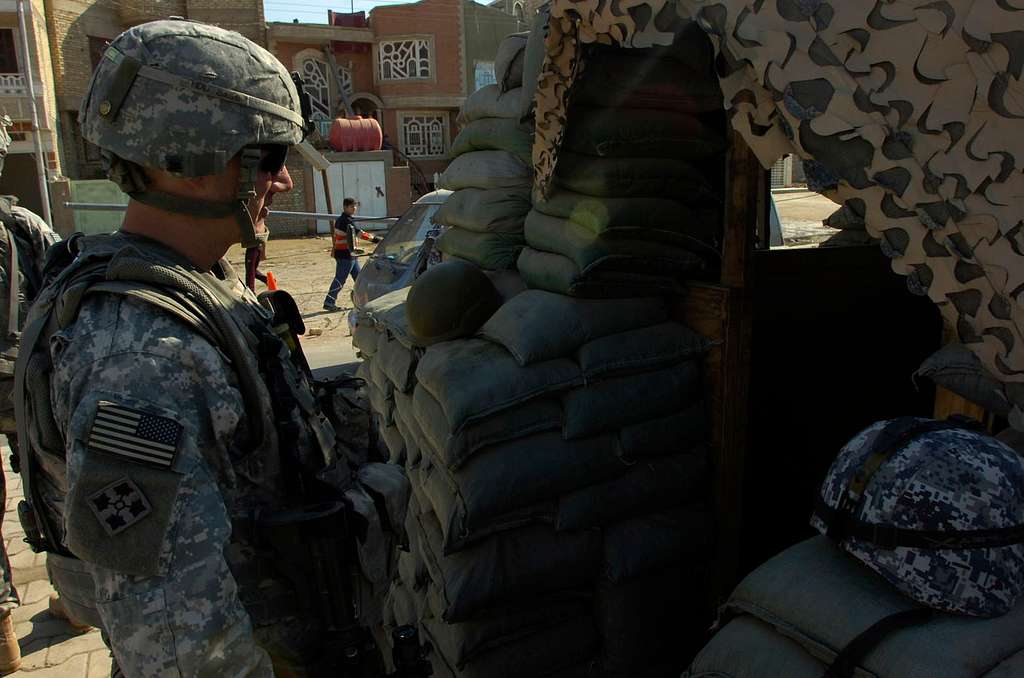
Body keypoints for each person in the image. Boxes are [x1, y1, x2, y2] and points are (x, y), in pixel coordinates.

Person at [14, 19, 406, 676]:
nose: (281, 184)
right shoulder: (142, 358)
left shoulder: (200, 287)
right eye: (271, 159)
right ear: (195, 164)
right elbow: (174, 643)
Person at [0, 115, 59, 673]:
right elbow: (58, 300)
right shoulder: (20, 225)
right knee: (49, 478)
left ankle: (2, 629)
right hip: (20, 385)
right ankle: (71, 595)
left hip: (19, 382)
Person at [323, 197, 380, 311]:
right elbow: (360, 234)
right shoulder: (346, 221)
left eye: (355, 206)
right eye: (351, 206)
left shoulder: (343, 219)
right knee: (340, 279)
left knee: (359, 279)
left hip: (350, 255)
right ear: (345, 207)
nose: (354, 208)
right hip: (345, 255)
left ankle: (364, 301)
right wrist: (377, 240)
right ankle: (329, 302)